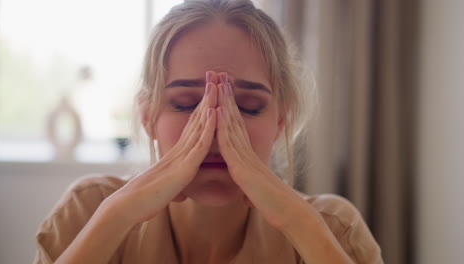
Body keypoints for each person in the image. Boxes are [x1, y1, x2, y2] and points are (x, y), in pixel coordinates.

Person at [33, 0, 383, 263]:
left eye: (247, 106)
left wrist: (299, 223)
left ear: (280, 121)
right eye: (185, 103)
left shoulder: (335, 229)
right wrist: (117, 216)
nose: (215, 127)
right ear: (147, 117)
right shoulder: (87, 211)